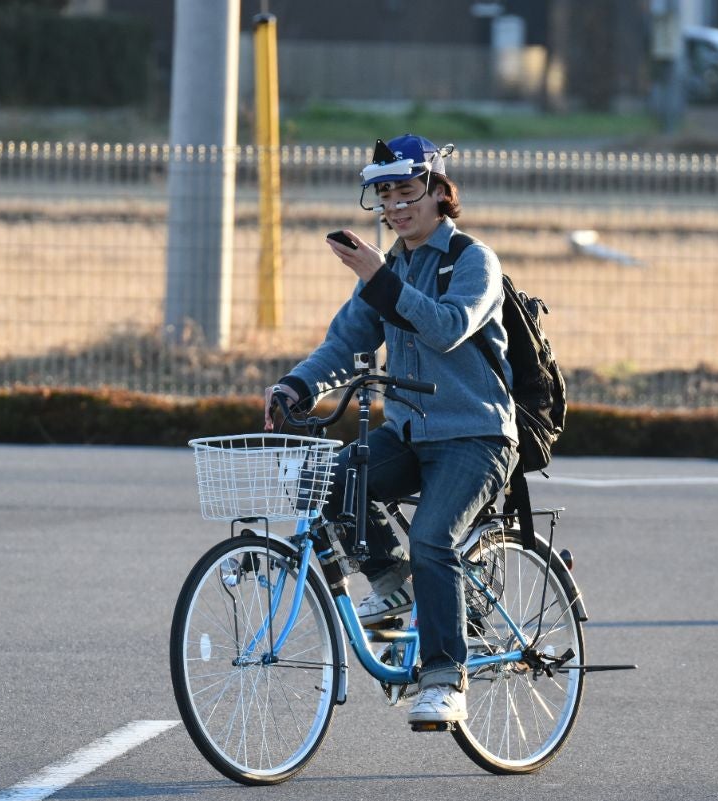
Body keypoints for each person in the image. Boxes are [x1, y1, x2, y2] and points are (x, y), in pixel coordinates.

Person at [263, 134, 517, 725]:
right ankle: (390, 575)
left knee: (433, 536)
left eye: (406, 191)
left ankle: (443, 679)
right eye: (384, 196)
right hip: (408, 433)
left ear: (437, 191)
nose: (395, 207)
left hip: (475, 435)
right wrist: (296, 386)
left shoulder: (472, 259)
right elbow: (347, 340)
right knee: (321, 476)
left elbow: (448, 328)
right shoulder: (392, 267)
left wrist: (383, 281)